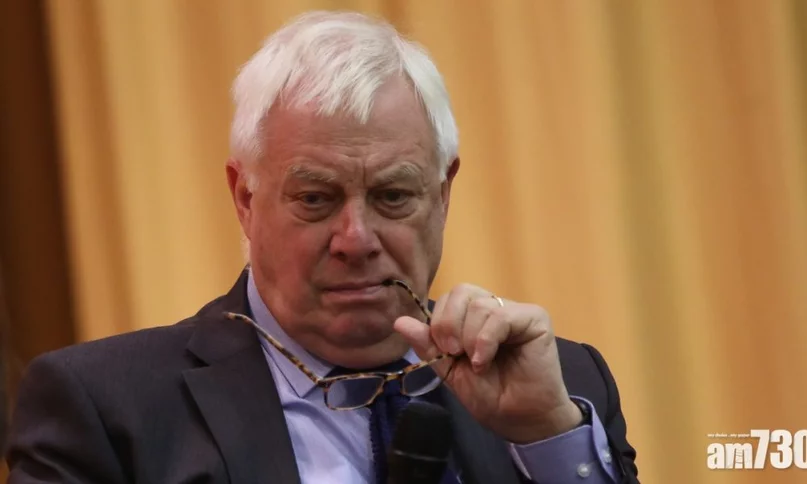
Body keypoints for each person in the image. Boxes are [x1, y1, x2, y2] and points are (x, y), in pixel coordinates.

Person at [5, 11, 638, 484]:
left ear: (443, 194)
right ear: (245, 198)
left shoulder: (563, 391)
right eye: (315, 198)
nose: (356, 240)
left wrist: (547, 439)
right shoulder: (109, 410)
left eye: (393, 196)